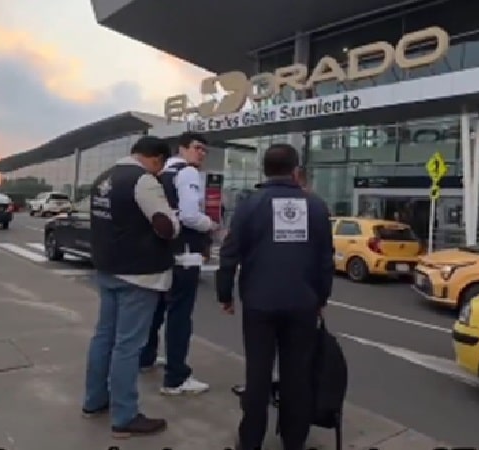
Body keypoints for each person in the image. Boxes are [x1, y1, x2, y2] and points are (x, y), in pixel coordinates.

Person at [215, 143, 335, 450]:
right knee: (298, 375)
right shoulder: (317, 207)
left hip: (259, 304)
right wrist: (321, 298)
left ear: (264, 171)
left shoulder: (249, 205)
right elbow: (325, 260)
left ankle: (250, 440)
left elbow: (229, 253)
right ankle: (295, 441)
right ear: (296, 171)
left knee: (257, 375)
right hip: (302, 304)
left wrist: (224, 293)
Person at [82, 136, 179, 438]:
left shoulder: (103, 178)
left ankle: (94, 401)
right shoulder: (144, 181)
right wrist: (174, 221)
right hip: (139, 275)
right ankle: (125, 417)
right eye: (160, 165)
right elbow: (165, 225)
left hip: (108, 268)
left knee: (103, 337)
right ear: (156, 159)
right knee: (128, 346)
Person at [140, 132, 218, 394]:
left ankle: (145, 358)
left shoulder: (161, 174)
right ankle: (176, 377)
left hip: (162, 253)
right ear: (182, 149)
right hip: (185, 253)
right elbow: (190, 215)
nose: (201, 154)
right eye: (197, 148)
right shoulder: (188, 174)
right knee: (180, 316)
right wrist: (213, 226)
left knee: (157, 309)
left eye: (205, 150)